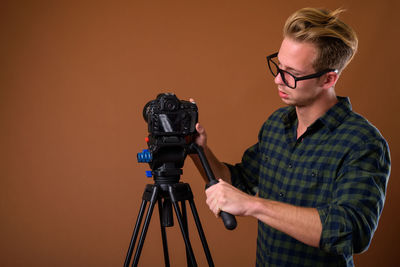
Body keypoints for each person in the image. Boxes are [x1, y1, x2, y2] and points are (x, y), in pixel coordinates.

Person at [190, 7, 391, 266]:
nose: (277, 79)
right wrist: (199, 149)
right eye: (279, 66)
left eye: (292, 74)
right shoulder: (276, 125)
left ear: (328, 79)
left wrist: (254, 205)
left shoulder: (362, 143)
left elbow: (351, 231)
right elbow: (237, 184)